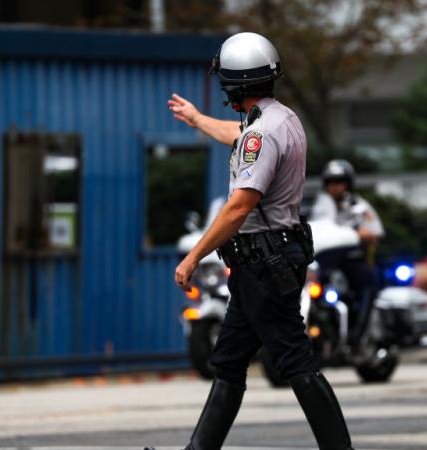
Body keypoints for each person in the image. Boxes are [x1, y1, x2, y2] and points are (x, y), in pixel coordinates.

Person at [147, 32, 353, 450]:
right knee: (228, 364)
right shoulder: (283, 120)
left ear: (235, 86)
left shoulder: (262, 135)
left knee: (296, 362)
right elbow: (240, 137)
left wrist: (193, 257)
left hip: (263, 264)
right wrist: (197, 119)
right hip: (264, 263)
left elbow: (239, 206)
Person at [310, 160, 385, 345]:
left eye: (339, 181)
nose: (335, 186)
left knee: (368, 284)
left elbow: (375, 232)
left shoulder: (358, 206)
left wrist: (363, 233)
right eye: (331, 182)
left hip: (352, 259)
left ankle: (359, 332)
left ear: (348, 183)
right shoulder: (320, 207)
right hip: (325, 259)